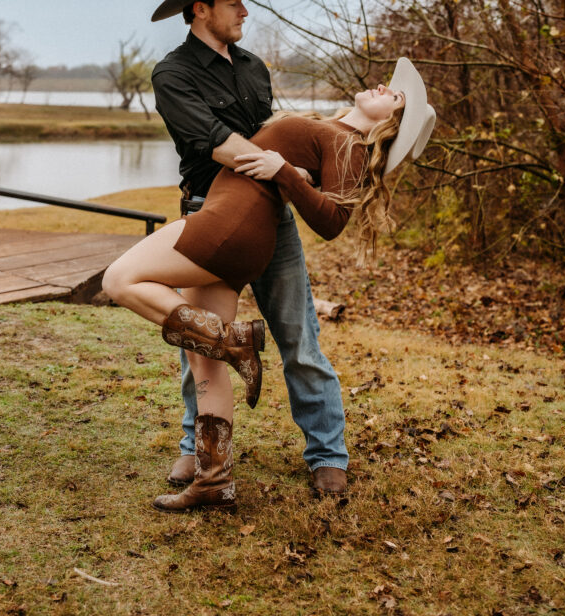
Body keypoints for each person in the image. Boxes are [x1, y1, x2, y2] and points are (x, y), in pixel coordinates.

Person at [102, 50, 435, 512]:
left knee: (118, 279)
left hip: (228, 224)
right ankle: (213, 479)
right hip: (231, 223)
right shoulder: (334, 130)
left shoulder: (352, 144)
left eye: (394, 96)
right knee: (205, 361)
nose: (383, 87)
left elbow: (333, 220)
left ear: (391, 123)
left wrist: (285, 174)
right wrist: (293, 172)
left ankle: (239, 345)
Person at [148, 0, 351, 499]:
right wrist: (276, 164)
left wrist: (293, 167)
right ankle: (195, 449)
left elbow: (271, 135)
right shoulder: (173, 73)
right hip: (209, 217)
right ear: (200, 8)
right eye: (233, 1)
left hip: (272, 219)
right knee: (203, 344)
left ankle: (327, 454)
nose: (245, 9)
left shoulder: (254, 67)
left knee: (298, 338)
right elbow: (216, 141)